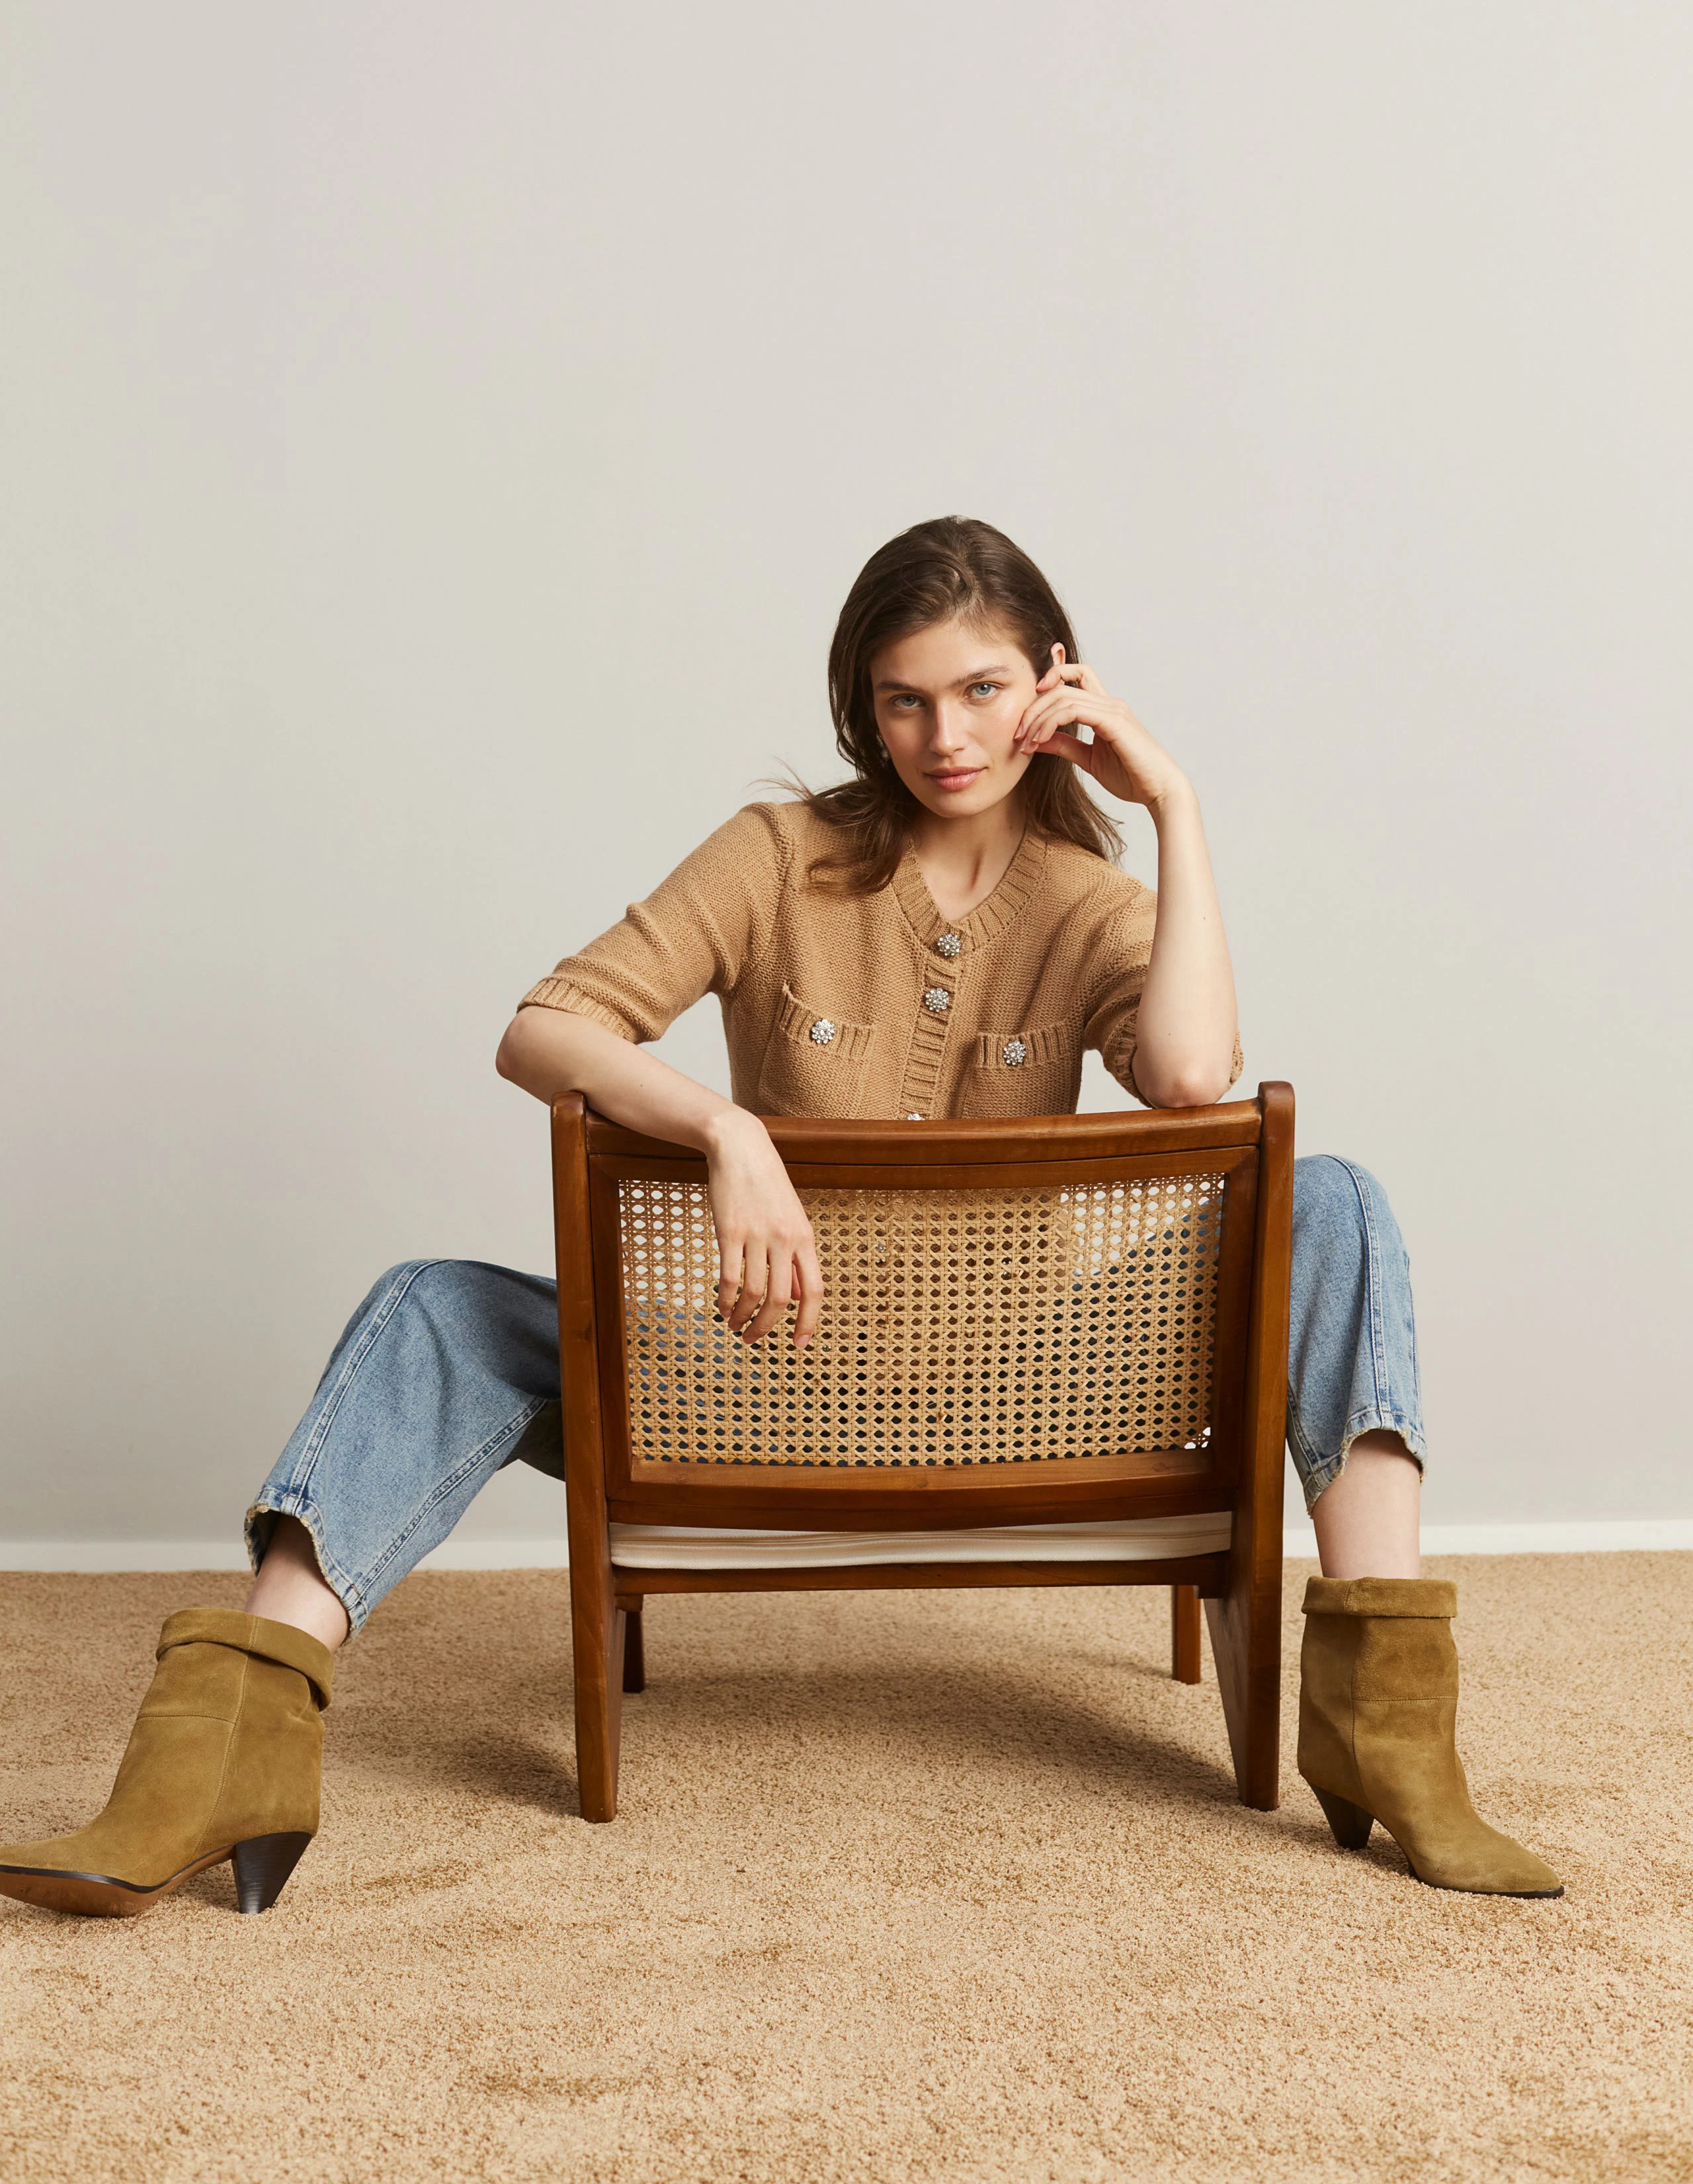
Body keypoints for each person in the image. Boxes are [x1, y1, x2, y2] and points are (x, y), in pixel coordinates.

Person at [0, 517, 1561, 1918]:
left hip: (1030, 1389)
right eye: (902, 699)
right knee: (436, 1304)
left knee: (1330, 1200)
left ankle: (1387, 1735)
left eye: (981, 690)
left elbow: (1188, 1074)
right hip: (765, 1385)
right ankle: (224, 1759)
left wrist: (1173, 806)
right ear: (859, 708)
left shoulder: (1089, 904)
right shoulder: (776, 858)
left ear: (1053, 688)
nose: (943, 736)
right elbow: (543, 1028)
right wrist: (722, 1127)